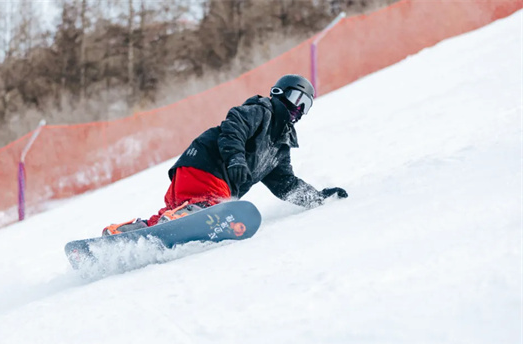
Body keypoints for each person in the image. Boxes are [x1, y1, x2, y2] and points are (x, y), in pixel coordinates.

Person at [103, 74, 348, 236]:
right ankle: (187, 214)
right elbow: (234, 126)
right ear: (278, 93)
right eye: (297, 98)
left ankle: (127, 232)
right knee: (212, 205)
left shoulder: (280, 147)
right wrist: (236, 159)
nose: (299, 109)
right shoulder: (261, 111)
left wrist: (316, 198)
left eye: (306, 105)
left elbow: (285, 183)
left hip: (189, 174)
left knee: (169, 216)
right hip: (209, 167)